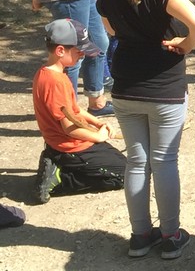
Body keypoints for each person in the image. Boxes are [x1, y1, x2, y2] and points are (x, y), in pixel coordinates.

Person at [96, 0, 195, 260]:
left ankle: (140, 235)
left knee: (136, 162)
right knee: (164, 161)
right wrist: (186, 44)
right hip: (164, 89)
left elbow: (111, 31)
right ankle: (171, 235)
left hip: (126, 88)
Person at [32, 18, 125, 204]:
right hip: (69, 146)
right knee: (126, 174)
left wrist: (98, 123)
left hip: (63, 144)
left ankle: (57, 161)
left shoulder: (50, 73)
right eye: (78, 51)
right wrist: (97, 137)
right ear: (60, 50)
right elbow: (69, 128)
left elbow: (74, 110)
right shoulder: (55, 82)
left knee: (121, 162)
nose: (82, 55)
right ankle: (61, 177)